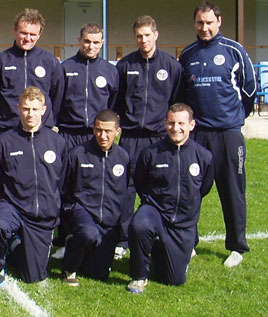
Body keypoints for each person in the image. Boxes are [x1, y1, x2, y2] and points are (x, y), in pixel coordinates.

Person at [179, 1, 256, 268]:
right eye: (200, 23)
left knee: (232, 189)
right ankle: (189, 242)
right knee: (191, 189)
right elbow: (182, 96)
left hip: (228, 135)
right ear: (194, 24)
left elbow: (249, 90)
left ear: (219, 22)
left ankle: (236, 246)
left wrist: (234, 118)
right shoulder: (187, 54)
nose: (205, 27)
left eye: (209, 22)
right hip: (198, 136)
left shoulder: (234, 51)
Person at [0, 86, 65, 294]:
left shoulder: (57, 143)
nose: (30, 114)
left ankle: (14, 245)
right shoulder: (4, 141)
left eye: (35, 109)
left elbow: (62, 182)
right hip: (13, 207)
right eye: (26, 108)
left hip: (41, 215)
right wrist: (2, 205)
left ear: (44, 110)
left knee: (32, 277)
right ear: (18, 108)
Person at [114, 15, 182, 260]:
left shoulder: (172, 67)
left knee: (158, 188)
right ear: (135, 38)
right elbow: (117, 100)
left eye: (147, 35)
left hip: (158, 138)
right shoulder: (125, 66)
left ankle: (159, 235)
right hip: (131, 138)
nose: (144, 40)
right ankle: (123, 239)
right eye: (139, 36)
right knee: (126, 188)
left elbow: (176, 102)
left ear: (156, 35)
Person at [127, 103, 213, 294]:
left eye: (181, 123)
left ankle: (161, 250)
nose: (176, 128)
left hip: (183, 222)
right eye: (171, 123)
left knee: (173, 280)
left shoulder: (203, 156)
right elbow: (141, 183)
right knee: (139, 225)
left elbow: (204, 187)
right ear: (165, 123)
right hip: (156, 211)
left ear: (192, 125)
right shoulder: (151, 153)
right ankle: (139, 276)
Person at [53, 23, 118, 259]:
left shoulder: (110, 71)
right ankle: (64, 236)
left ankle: (100, 234)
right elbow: (56, 101)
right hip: (69, 134)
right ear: (79, 40)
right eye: (86, 41)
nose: (91, 46)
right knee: (67, 186)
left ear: (102, 43)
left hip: (96, 135)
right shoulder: (66, 68)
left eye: (96, 42)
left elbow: (113, 105)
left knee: (96, 184)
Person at [60, 110, 129, 286]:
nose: (103, 135)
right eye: (98, 130)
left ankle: (82, 253)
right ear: (93, 129)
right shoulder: (77, 154)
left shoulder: (124, 158)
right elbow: (64, 189)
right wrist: (68, 216)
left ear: (117, 131)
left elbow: (126, 194)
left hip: (108, 222)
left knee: (99, 274)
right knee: (88, 233)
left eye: (108, 131)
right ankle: (69, 268)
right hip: (82, 212)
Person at [0, 8, 64, 134]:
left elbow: (58, 96)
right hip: (8, 130)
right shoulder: (0, 61)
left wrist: (46, 121)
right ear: (15, 30)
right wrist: (2, 120)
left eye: (33, 34)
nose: (28, 38)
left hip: (41, 131)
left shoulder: (50, 62)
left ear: (39, 34)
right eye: (23, 33)